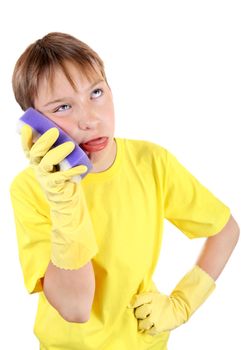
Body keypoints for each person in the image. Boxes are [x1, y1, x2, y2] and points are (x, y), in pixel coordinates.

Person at [10, 32, 239, 350]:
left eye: (96, 92)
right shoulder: (28, 190)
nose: (90, 119)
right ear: (34, 125)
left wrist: (184, 302)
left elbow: (225, 230)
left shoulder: (151, 163)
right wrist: (65, 200)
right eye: (62, 107)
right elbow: (75, 309)